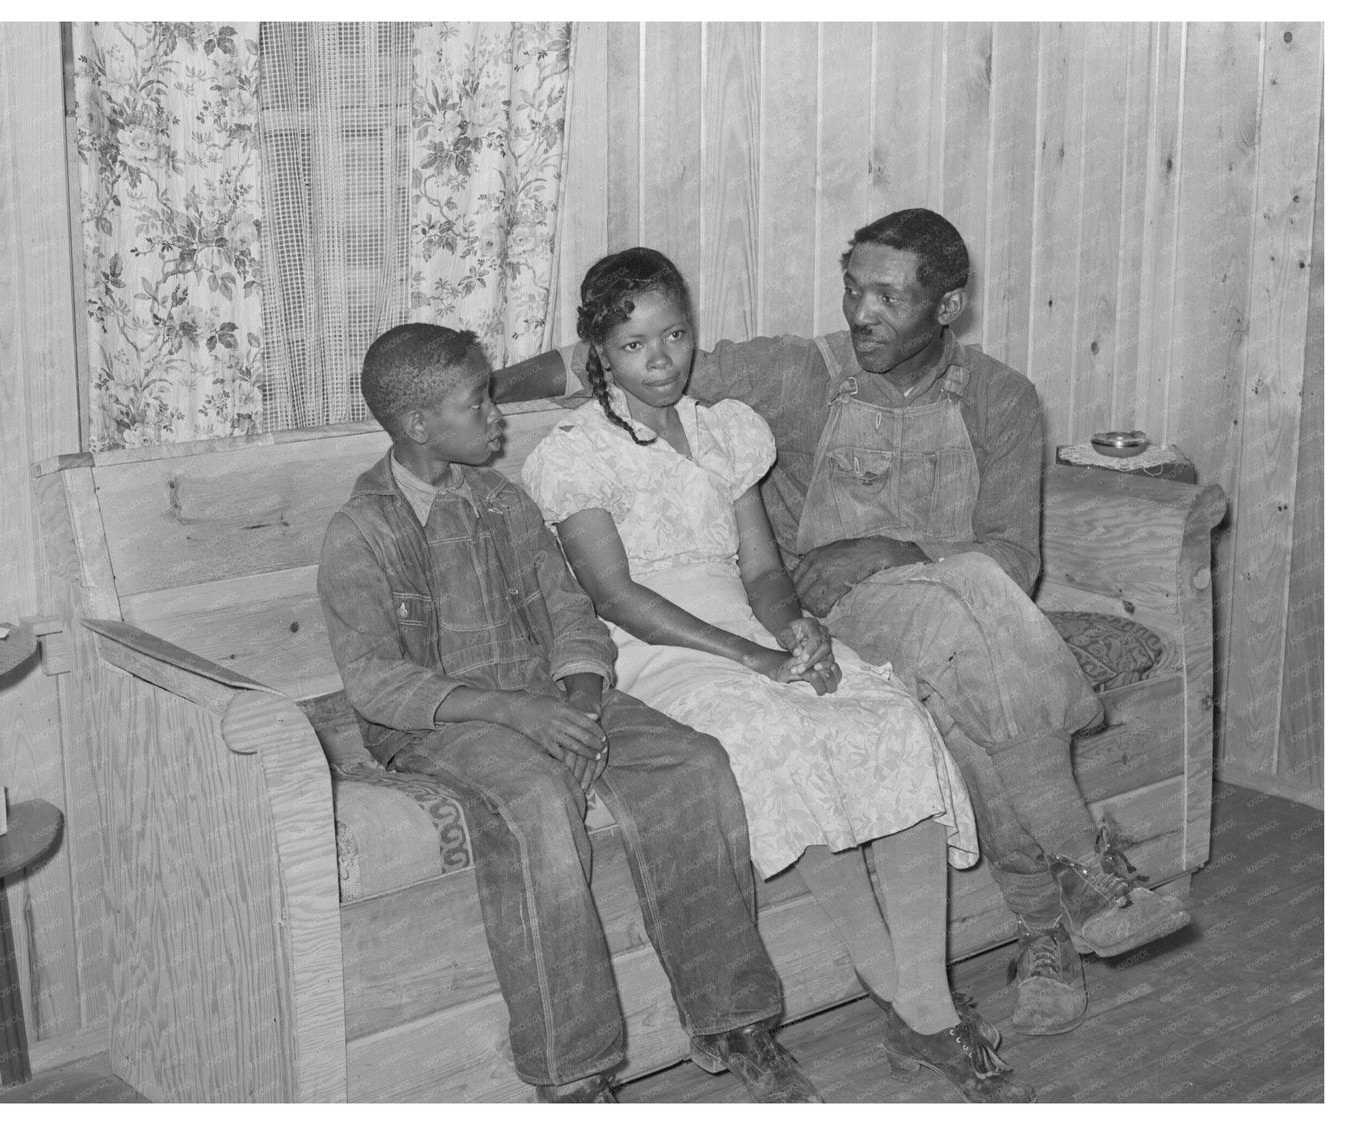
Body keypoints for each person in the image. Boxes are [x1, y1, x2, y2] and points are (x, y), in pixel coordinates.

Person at [495, 209, 1191, 1039]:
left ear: (949, 305)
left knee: (967, 675)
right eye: (854, 289)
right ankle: (1086, 872)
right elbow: (617, 354)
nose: (863, 313)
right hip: (834, 614)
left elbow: (1013, 561)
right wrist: (472, 391)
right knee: (970, 627)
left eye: (889, 297)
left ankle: (1045, 924)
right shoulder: (801, 372)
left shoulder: (1002, 397)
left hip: (961, 610)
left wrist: (888, 545)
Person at [522, 247, 1032, 1104]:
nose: (663, 358)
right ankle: (921, 1012)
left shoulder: (726, 429)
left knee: (884, 718)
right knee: (774, 735)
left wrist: (799, 634)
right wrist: (755, 661)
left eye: (677, 333)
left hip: (742, 623)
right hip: (652, 651)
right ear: (598, 355)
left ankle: (923, 1008)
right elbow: (616, 595)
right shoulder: (575, 452)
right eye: (637, 343)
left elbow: (761, 573)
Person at [317, 322, 822, 1104]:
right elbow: (378, 684)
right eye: (477, 399)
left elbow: (573, 616)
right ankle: (576, 1074)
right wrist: (521, 716)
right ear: (418, 425)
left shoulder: (502, 500)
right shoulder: (362, 530)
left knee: (694, 763)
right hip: (444, 721)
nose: (497, 413)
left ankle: (735, 1020)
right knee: (538, 802)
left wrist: (583, 695)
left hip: (551, 694)